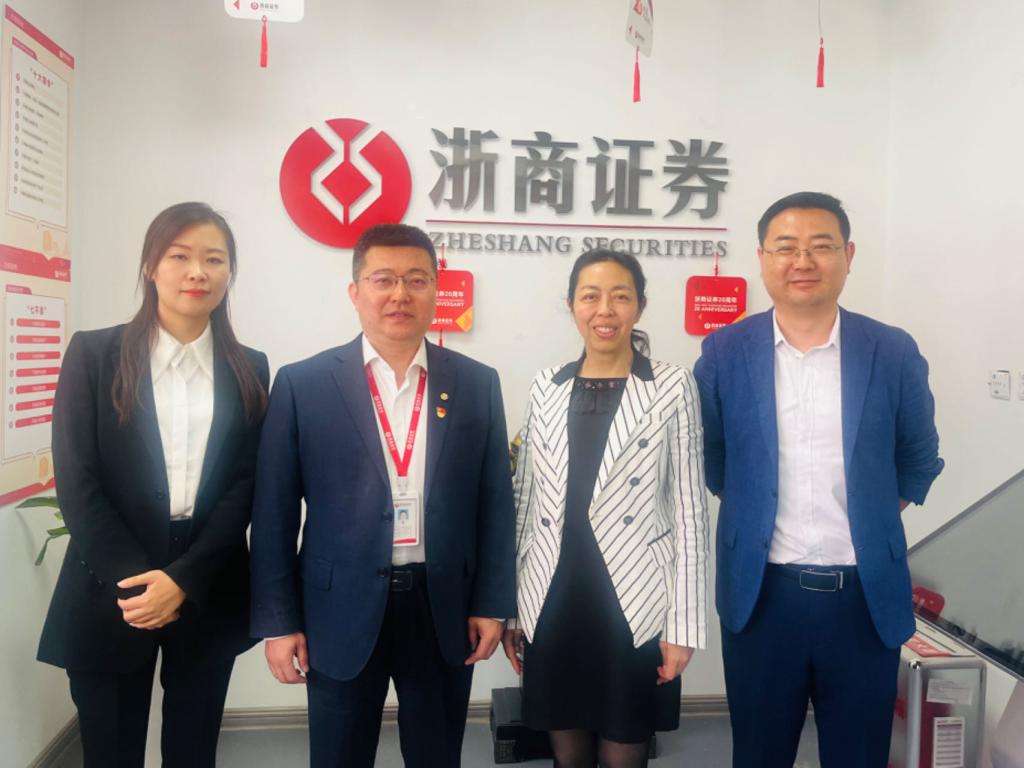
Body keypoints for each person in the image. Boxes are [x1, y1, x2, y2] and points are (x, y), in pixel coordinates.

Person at [250, 223, 515, 768]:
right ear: (355, 292)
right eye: (384, 280)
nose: (400, 294)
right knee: (339, 756)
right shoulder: (303, 384)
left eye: (416, 280)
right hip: (337, 608)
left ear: (436, 290)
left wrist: (492, 603)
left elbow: (494, 503)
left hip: (441, 606)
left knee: (437, 755)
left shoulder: (476, 383)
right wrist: (279, 621)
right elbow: (273, 514)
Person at [694, 191, 945, 767]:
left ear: (848, 255)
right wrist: (755, 510)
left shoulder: (891, 350)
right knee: (759, 753)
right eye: (786, 247)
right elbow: (710, 453)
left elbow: (920, 457)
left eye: (821, 246)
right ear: (762, 258)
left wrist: (872, 512)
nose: (802, 261)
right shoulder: (725, 352)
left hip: (863, 597)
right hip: (762, 595)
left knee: (858, 755)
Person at [37, 202, 270, 768]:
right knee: (110, 752)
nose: (198, 272)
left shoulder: (250, 366)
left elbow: (245, 485)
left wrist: (183, 579)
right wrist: (139, 585)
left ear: (229, 272)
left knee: (193, 752)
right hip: (110, 585)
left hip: (208, 582)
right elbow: (78, 481)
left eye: (214, 259)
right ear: (150, 265)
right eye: (179, 256)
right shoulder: (95, 354)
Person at [502, 248, 709, 768]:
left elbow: (690, 511)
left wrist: (683, 627)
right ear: (571, 304)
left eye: (620, 296)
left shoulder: (672, 385)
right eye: (590, 296)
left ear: (639, 306)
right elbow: (525, 502)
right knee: (566, 751)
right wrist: (513, 607)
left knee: (625, 747)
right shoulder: (546, 385)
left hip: (633, 597)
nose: (605, 310)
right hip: (554, 592)